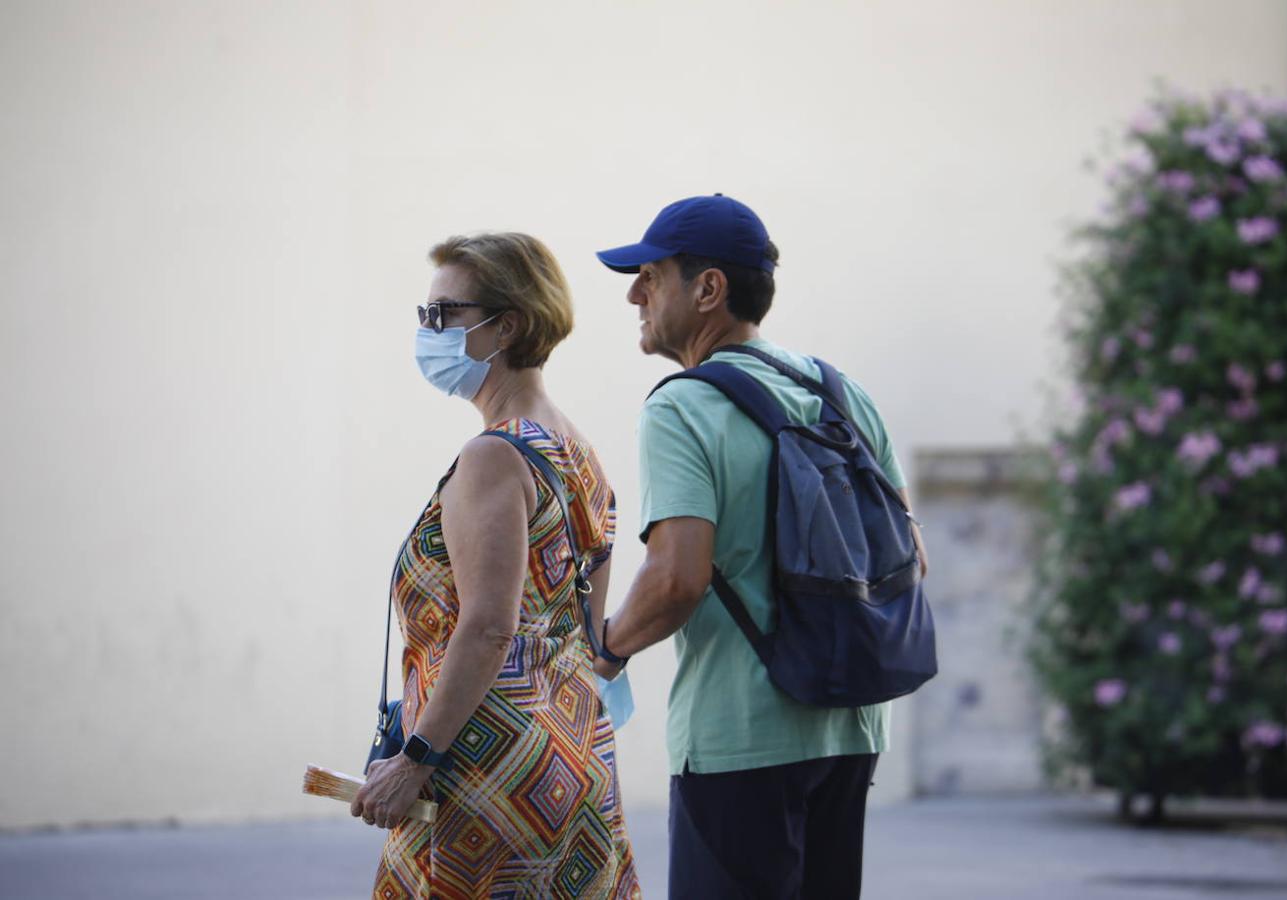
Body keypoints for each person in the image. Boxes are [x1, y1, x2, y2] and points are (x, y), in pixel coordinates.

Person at [592, 195, 928, 899]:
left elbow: (677, 578)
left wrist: (608, 646)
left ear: (708, 288)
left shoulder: (682, 405)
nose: (634, 294)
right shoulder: (840, 392)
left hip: (738, 734)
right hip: (853, 723)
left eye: (651, 276)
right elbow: (910, 558)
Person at [351, 232, 640, 899]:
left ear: (505, 325)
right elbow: (589, 637)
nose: (428, 331)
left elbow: (487, 627)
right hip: (571, 759)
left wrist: (415, 759)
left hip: (483, 775)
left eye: (444, 315)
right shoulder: (578, 453)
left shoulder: (493, 458)